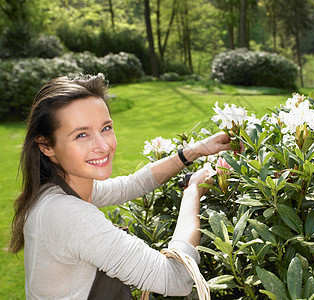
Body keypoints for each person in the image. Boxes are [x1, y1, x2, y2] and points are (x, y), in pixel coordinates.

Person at [8, 73, 234, 299]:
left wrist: (195, 151)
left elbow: (131, 185)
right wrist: (193, 191)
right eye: (81, 135)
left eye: (105, 128)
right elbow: (176, 278)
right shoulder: (68, 215)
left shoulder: (53, 191)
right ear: (46, 146)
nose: (103, 146)